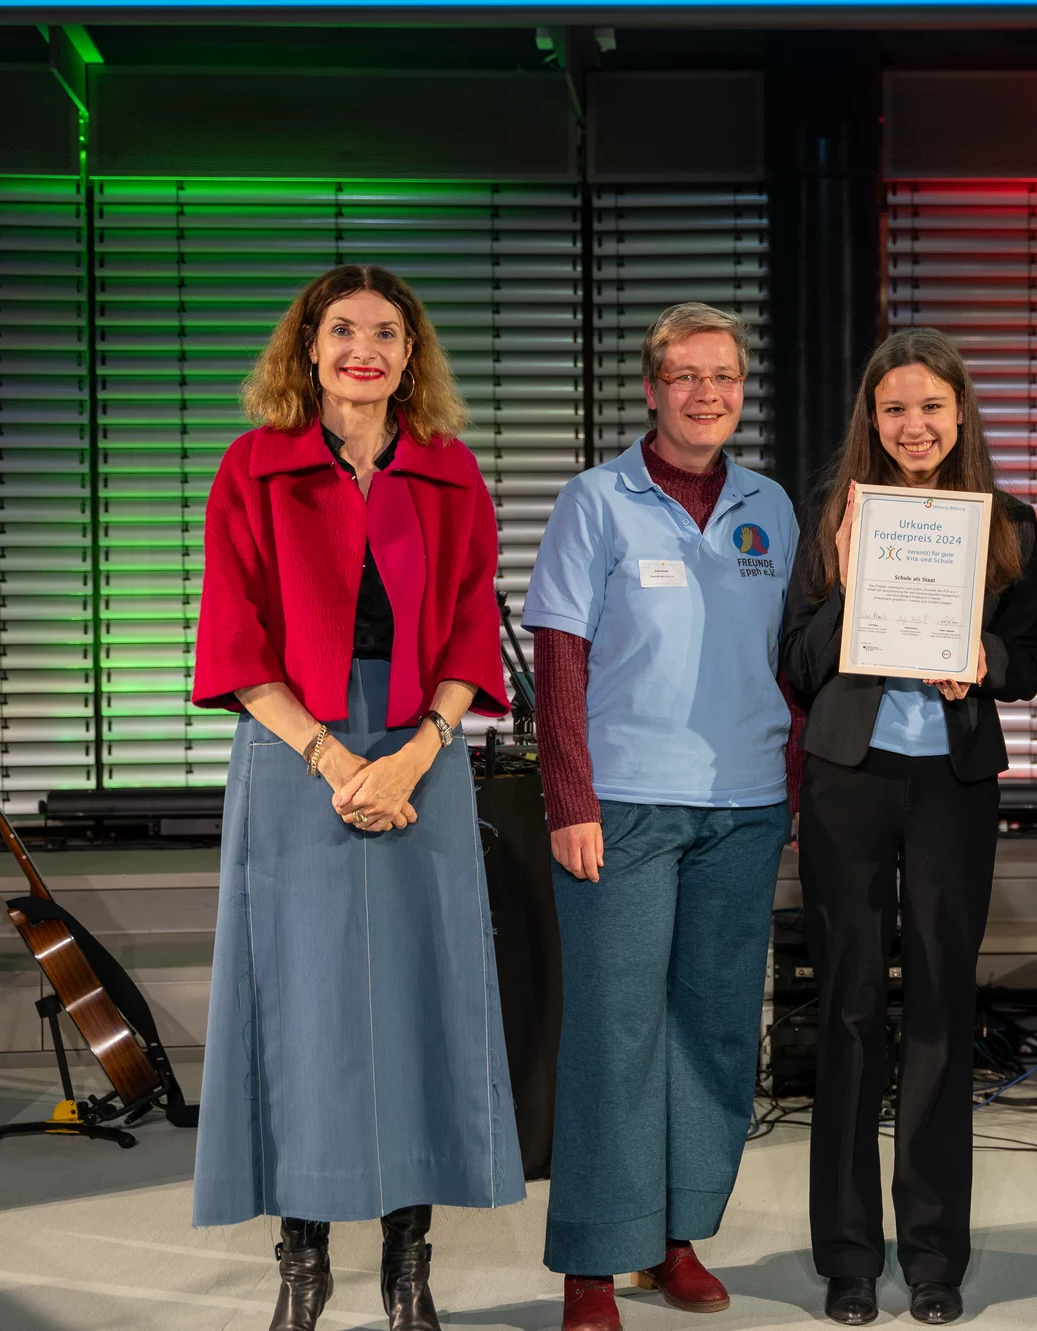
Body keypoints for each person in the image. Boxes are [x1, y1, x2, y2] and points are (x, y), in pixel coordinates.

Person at [191, 263, 524, 1331]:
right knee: (304, 1011)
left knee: (420, 1002)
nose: (363, 350)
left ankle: (408, 1260)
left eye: (387, 332)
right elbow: (236, 641)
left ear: (412, 355)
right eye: (342, 331)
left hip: (419, 748)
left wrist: (417, 748)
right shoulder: (254, 468)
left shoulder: (450, 471)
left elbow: (473, 626)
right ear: (307, 348)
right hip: (295, 752)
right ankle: (302, 1260)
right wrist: (338, 762)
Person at [522, 302, 799, 1331]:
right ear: (649, 388)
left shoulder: (769, 503)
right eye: (683, 375)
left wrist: (796, 794)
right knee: (615, 1031)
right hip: (624, 805)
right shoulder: (596, 500)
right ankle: (594, 1261)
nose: (705, 392)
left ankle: (675, 1239)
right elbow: (559, 656)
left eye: (722, 375)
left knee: (714, 1031)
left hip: (746, 804)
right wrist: (569, 798)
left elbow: (793, 664)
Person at [781, 328, 1037, 1327]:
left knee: (940, 1009)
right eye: (893, 408)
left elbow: (1026, 656)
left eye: (930, 406)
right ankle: (847, 1257)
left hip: (950, 784)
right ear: (871, 419)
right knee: (846, 1008)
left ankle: (934, 1254)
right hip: (847, 777)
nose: (913, 424)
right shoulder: (834, 515)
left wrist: (976, 653)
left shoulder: (1004, 521)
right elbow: (798, 661)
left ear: (960, 412)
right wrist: (850, 579)